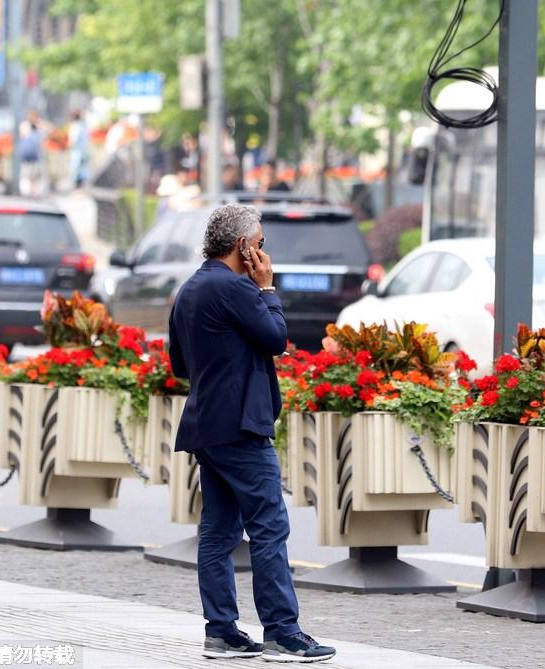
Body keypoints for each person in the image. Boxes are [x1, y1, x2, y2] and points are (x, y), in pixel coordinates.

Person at [168, 204, 336, 664]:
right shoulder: (238, 287)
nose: (263, 252)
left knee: (219, 532)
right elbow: (276, 338)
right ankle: (282, 633)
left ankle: (221, 632)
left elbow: (180, 365)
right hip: (242, 427)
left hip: (206, 423)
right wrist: (267, 289)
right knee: (269, 526)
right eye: (260, 244)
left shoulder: (189, 289)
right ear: (243, 246)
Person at [18, 110, 47, 197]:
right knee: (28, 174)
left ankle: (33, 191)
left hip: (34, 156)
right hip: (28, 155)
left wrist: (38, 124)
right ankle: (30, 191)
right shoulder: (26, 126)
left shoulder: (37, 128)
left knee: (34, 175)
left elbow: (47, 130)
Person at [67, 110, 90, 190]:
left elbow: (74, 140)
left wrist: (69, 145)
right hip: (83, 150)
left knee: (76, 169)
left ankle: (77, 187)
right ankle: (80, 187)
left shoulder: (75, 127)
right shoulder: (83, 126)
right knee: (82, 169)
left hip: (77, 151)